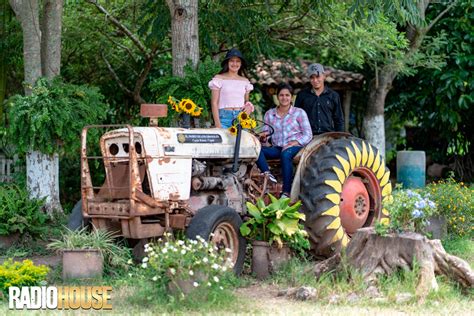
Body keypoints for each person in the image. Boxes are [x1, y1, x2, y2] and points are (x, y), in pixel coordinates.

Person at [256, 83, 312, 198]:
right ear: (277, 97)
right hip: (278, 147)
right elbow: (267, 133)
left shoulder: (299, 112)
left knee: (286, 154)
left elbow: (308, 135)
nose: (284, 98)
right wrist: (263, 137)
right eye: (281, 95)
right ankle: (267, 174)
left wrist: (295, 142)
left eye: (287, 95)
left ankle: (286, 192)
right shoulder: (270, 114)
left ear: (291, 97)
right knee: (256, 150)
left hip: (296, 147)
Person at [208, 48, 254, 128]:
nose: (234, 64)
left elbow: (246, 101)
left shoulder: (245, 81)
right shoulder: (219, 79)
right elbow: (214, 103)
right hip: (223, 118)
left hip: (240, 118)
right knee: (225, 140)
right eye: (232, 60)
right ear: (227, 62)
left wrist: (249, 106)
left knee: (242, 140)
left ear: (241, 63)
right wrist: (217, 124)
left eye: (238, 61)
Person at [295, 63, 344, 135]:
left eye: (318, 77)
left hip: (328, 136)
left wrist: (339, 137)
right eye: (312, 77)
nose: (315, 80)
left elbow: (339, 120)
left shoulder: (334, 96)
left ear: (324, 76)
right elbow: (296, 118)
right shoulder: (302, 95)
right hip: (307, 136)